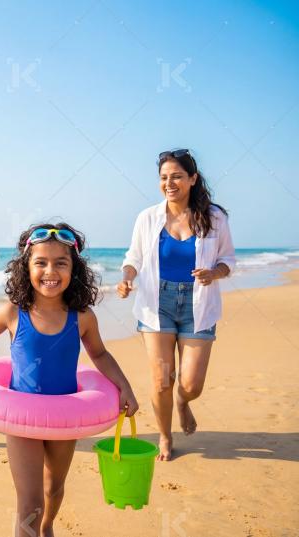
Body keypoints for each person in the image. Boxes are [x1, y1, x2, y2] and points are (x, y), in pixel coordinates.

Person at [0, 223, 138, 537]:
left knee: (54, 488)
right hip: (22, 419)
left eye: (61, 263)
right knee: (30, 500)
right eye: (41, 262)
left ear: (74, 268)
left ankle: (47, 526)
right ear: (26, 267)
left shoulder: (83, 317)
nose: (51, 271)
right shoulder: (13, 312)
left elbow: (100, 355)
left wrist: (124, 386)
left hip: (64, 416)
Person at [117, 149, 235, 461]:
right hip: (157, 304)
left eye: (177, 176)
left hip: (199, 304)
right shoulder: (148, 218)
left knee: (190, 384)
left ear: (193, 179)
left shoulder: (215, 217)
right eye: (164, 177)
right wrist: (127, 278)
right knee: (161, 379)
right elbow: (134, 258)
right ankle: (165, 436)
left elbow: (227, 260)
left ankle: (184, 402)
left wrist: (214, 273)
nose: (170, 183)